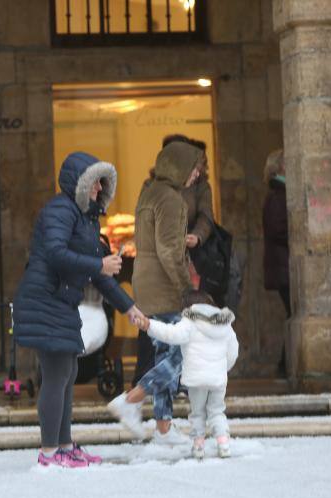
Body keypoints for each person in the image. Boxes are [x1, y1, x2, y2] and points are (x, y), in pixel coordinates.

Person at [13, 151, 145, 468]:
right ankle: (49, 453)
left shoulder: (86, 219)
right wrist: (99, 264)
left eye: (102, 183)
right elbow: (56, 253)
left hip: (61, 301)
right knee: (56, 374)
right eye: (95, 182)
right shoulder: (60, 210)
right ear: (80, 182)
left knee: (67, 372)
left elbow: (98, 276)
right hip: (44, 300)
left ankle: (64, 446)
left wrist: (129, 307)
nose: (99, 188)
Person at [108, 140, 204, 446]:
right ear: (180, 167)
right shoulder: (171, 199)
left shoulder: (150, 191)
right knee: (178, 357)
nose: (197, 175)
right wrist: (186, 287)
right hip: (164, 286)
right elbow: (169, 250)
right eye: (194, 168)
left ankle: (163, 427)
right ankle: (131, 400)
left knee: (165, 353)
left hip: (146, 281)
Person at [137, 289, 239, 459]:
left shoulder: (189, 321)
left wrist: (150, 325)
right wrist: (223, 369)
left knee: (198, 412)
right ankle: (223, 444)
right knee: (217, 411)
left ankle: (198, 446)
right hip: (218, 379)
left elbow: (171, 334)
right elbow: (233, 352)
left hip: (196, 378)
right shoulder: (224, 324)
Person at [262, 148, 289, 376]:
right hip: (283, 266)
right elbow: (278, 230)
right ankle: (284, 364)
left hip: (283, 265)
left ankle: (285, 363)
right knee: (291, 314)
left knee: (291, 314)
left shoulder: (279, 194)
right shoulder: (278, 195)